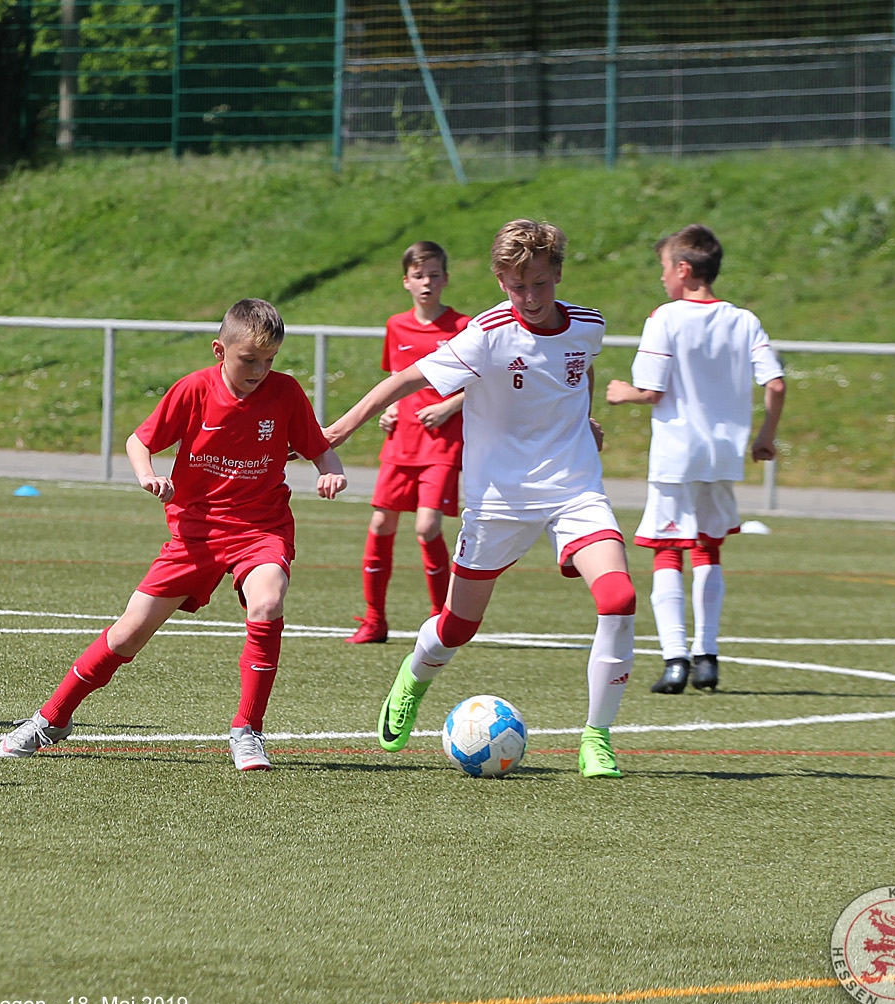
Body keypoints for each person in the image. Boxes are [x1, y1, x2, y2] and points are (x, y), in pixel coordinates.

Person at [325, 219, 636, 779]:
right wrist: (342, 428)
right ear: (499, 281)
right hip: (499, 502)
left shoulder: (589, 325)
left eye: (540, 284)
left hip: (574, 490)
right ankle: (414, 676)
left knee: (618, 598)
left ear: (558, 274)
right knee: (458, 627)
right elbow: (406, 379)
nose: (530, 297)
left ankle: (597, 738)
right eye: (517, 286)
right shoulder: (487, 333)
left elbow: (580, 371)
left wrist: (584, 419)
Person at [0, 299, 347, 771]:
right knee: (128, 634)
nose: (261, 370)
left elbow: (319, 447)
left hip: (261, 528)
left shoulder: (285, 392)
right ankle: (51, 719)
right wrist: (148, 474)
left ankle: (247, 731)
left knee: (267, 602)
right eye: (249, 360)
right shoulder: (193, 390)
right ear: (219, 350)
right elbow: (139, 441)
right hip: (196, 533)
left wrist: (331, 471)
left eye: (270, 360)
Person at [606, 224, 785, 694]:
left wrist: (623, 393)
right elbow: (776, 383)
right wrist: (765, 437)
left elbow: (651, 390)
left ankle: (675, 660)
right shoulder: (744, 320)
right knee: (708, 548)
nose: (662, 277)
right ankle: (708, 657)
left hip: (677, 453)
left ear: (683, 269)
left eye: (664, 268)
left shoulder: (665, 317)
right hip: (722, 455)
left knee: (668, 549)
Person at [347, 241, 470, 644]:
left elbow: (482, 383)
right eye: (419, 276)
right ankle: (374, 620)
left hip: (442, 443)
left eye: (434, 275)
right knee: (381, 523)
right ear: (406, 281)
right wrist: (389, 410)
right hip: (401, 442)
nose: (427, 283)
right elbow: (396, 380)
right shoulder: (396, 325)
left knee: (427, 525)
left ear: (446, 279)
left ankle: (441, 620)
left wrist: (449, 406)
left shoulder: (464, 326)